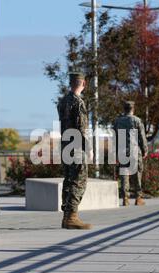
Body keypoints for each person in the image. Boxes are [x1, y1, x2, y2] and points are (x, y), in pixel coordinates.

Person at [57, 71, 92, 230]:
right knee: (79, 180)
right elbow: (82, 128)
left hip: (65, 145)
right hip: (77, 146)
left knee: (69, 179)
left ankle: (67, 216)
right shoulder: (78, 103)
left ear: (70, 83)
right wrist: (88, 149)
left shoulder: (63, 101)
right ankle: (72, 216)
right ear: (83, 84)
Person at [114, 101, 148, 206]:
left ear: (124, 109)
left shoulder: (117, 121)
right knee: (137, 173)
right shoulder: (137, 121)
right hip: (134, 150)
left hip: (122, 150)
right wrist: (144, 149)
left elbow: (114, 138)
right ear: (133, 109)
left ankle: (125, 197)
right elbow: (142, 137)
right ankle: (138, 197)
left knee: (124, 174)